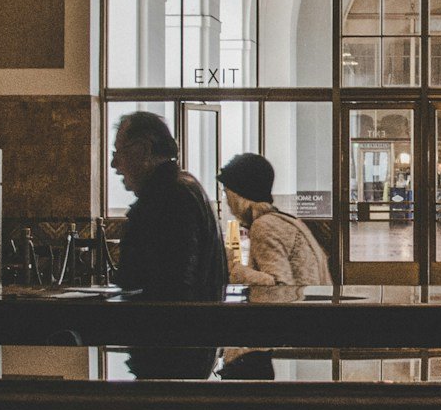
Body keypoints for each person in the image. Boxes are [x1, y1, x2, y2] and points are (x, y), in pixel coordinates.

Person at [110, 111, 224, 301]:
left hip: (168, 327)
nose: (114, 164)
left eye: (119, 152)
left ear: (144, 149)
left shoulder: (168, 197)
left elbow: (173, 284)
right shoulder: (183, 187)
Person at [216, 152, 332, 295]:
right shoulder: (285, 221)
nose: (226, 200)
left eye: (226, 192)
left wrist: (235, 271)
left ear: (238, 196)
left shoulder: (265, 226)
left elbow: (279, 287)